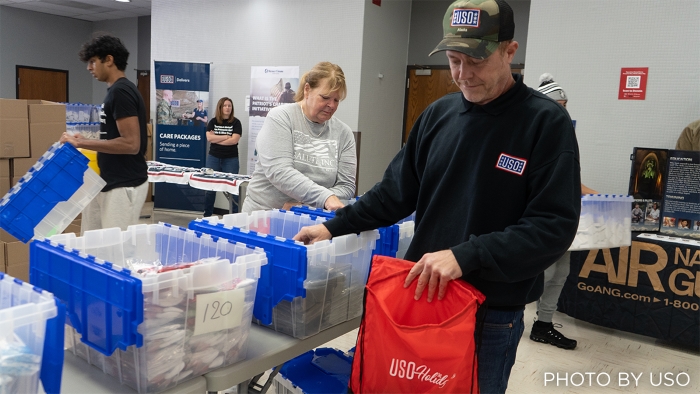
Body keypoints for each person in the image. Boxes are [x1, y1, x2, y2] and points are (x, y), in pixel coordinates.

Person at [293, 1, 581, 393]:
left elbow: (553, 226)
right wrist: (333, 227)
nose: (463, 75)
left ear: (509, 51)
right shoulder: (437, 116)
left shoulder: (545, 122)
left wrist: (467, 255)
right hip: (424, 299)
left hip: (490, 311)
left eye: (475, 61)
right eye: (454, 61)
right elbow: (394, 194)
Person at [529, 73, 598, 350]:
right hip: (540, 217)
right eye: (562, 104)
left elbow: (569, 175)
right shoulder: (532, 132)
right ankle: (508, 317)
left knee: (561, 273)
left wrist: (596, 194)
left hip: (561, 214)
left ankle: (543, 324)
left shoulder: (562, 132)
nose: (565, 110)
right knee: (545, 272)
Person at [241, 61, 357, 213]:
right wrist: (325, 198)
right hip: (264, 217)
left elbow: (347, 186)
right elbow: (280, 172)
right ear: (307, 90)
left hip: (311, 218)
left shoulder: (344, 133)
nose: (332, 105)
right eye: (325, 97)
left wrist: (305, 206)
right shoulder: (281, 118)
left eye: (336, 100)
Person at [60, 34, 148, 232]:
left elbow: (131, 144)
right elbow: (114, 136)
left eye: (93, 61)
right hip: (105, 181)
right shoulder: (114, 91)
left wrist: (83, 143)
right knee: (93, 246)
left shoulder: (121, 92)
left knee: (116, 251)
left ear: (109, 60)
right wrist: (86, 140)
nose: (89, 68)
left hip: (123, 184)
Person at [203, 97, 242, 217]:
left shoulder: (236, 122)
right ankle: (207, 216)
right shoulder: (213, 122)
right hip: (213, 158)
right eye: (225, 105)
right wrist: (226, 136)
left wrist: (217, 139)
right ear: (220, 107)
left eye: (229, 106)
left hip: (231, 159)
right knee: (209, 189)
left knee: (233, 189)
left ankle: (235, 217)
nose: (227, 108)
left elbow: (234, 141)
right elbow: (209, 138)